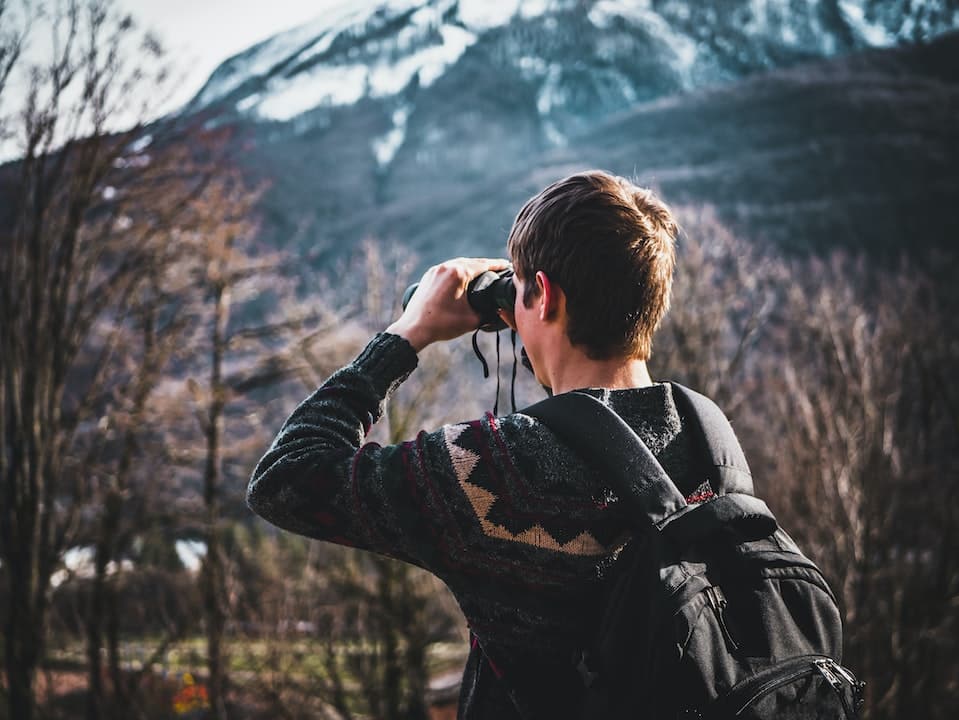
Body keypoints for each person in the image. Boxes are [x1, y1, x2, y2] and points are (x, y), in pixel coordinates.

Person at [248, 170, 705, 718]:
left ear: (546, 296)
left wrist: (406, 333)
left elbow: (286, 477)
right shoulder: (708, 440)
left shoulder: (499, 475)